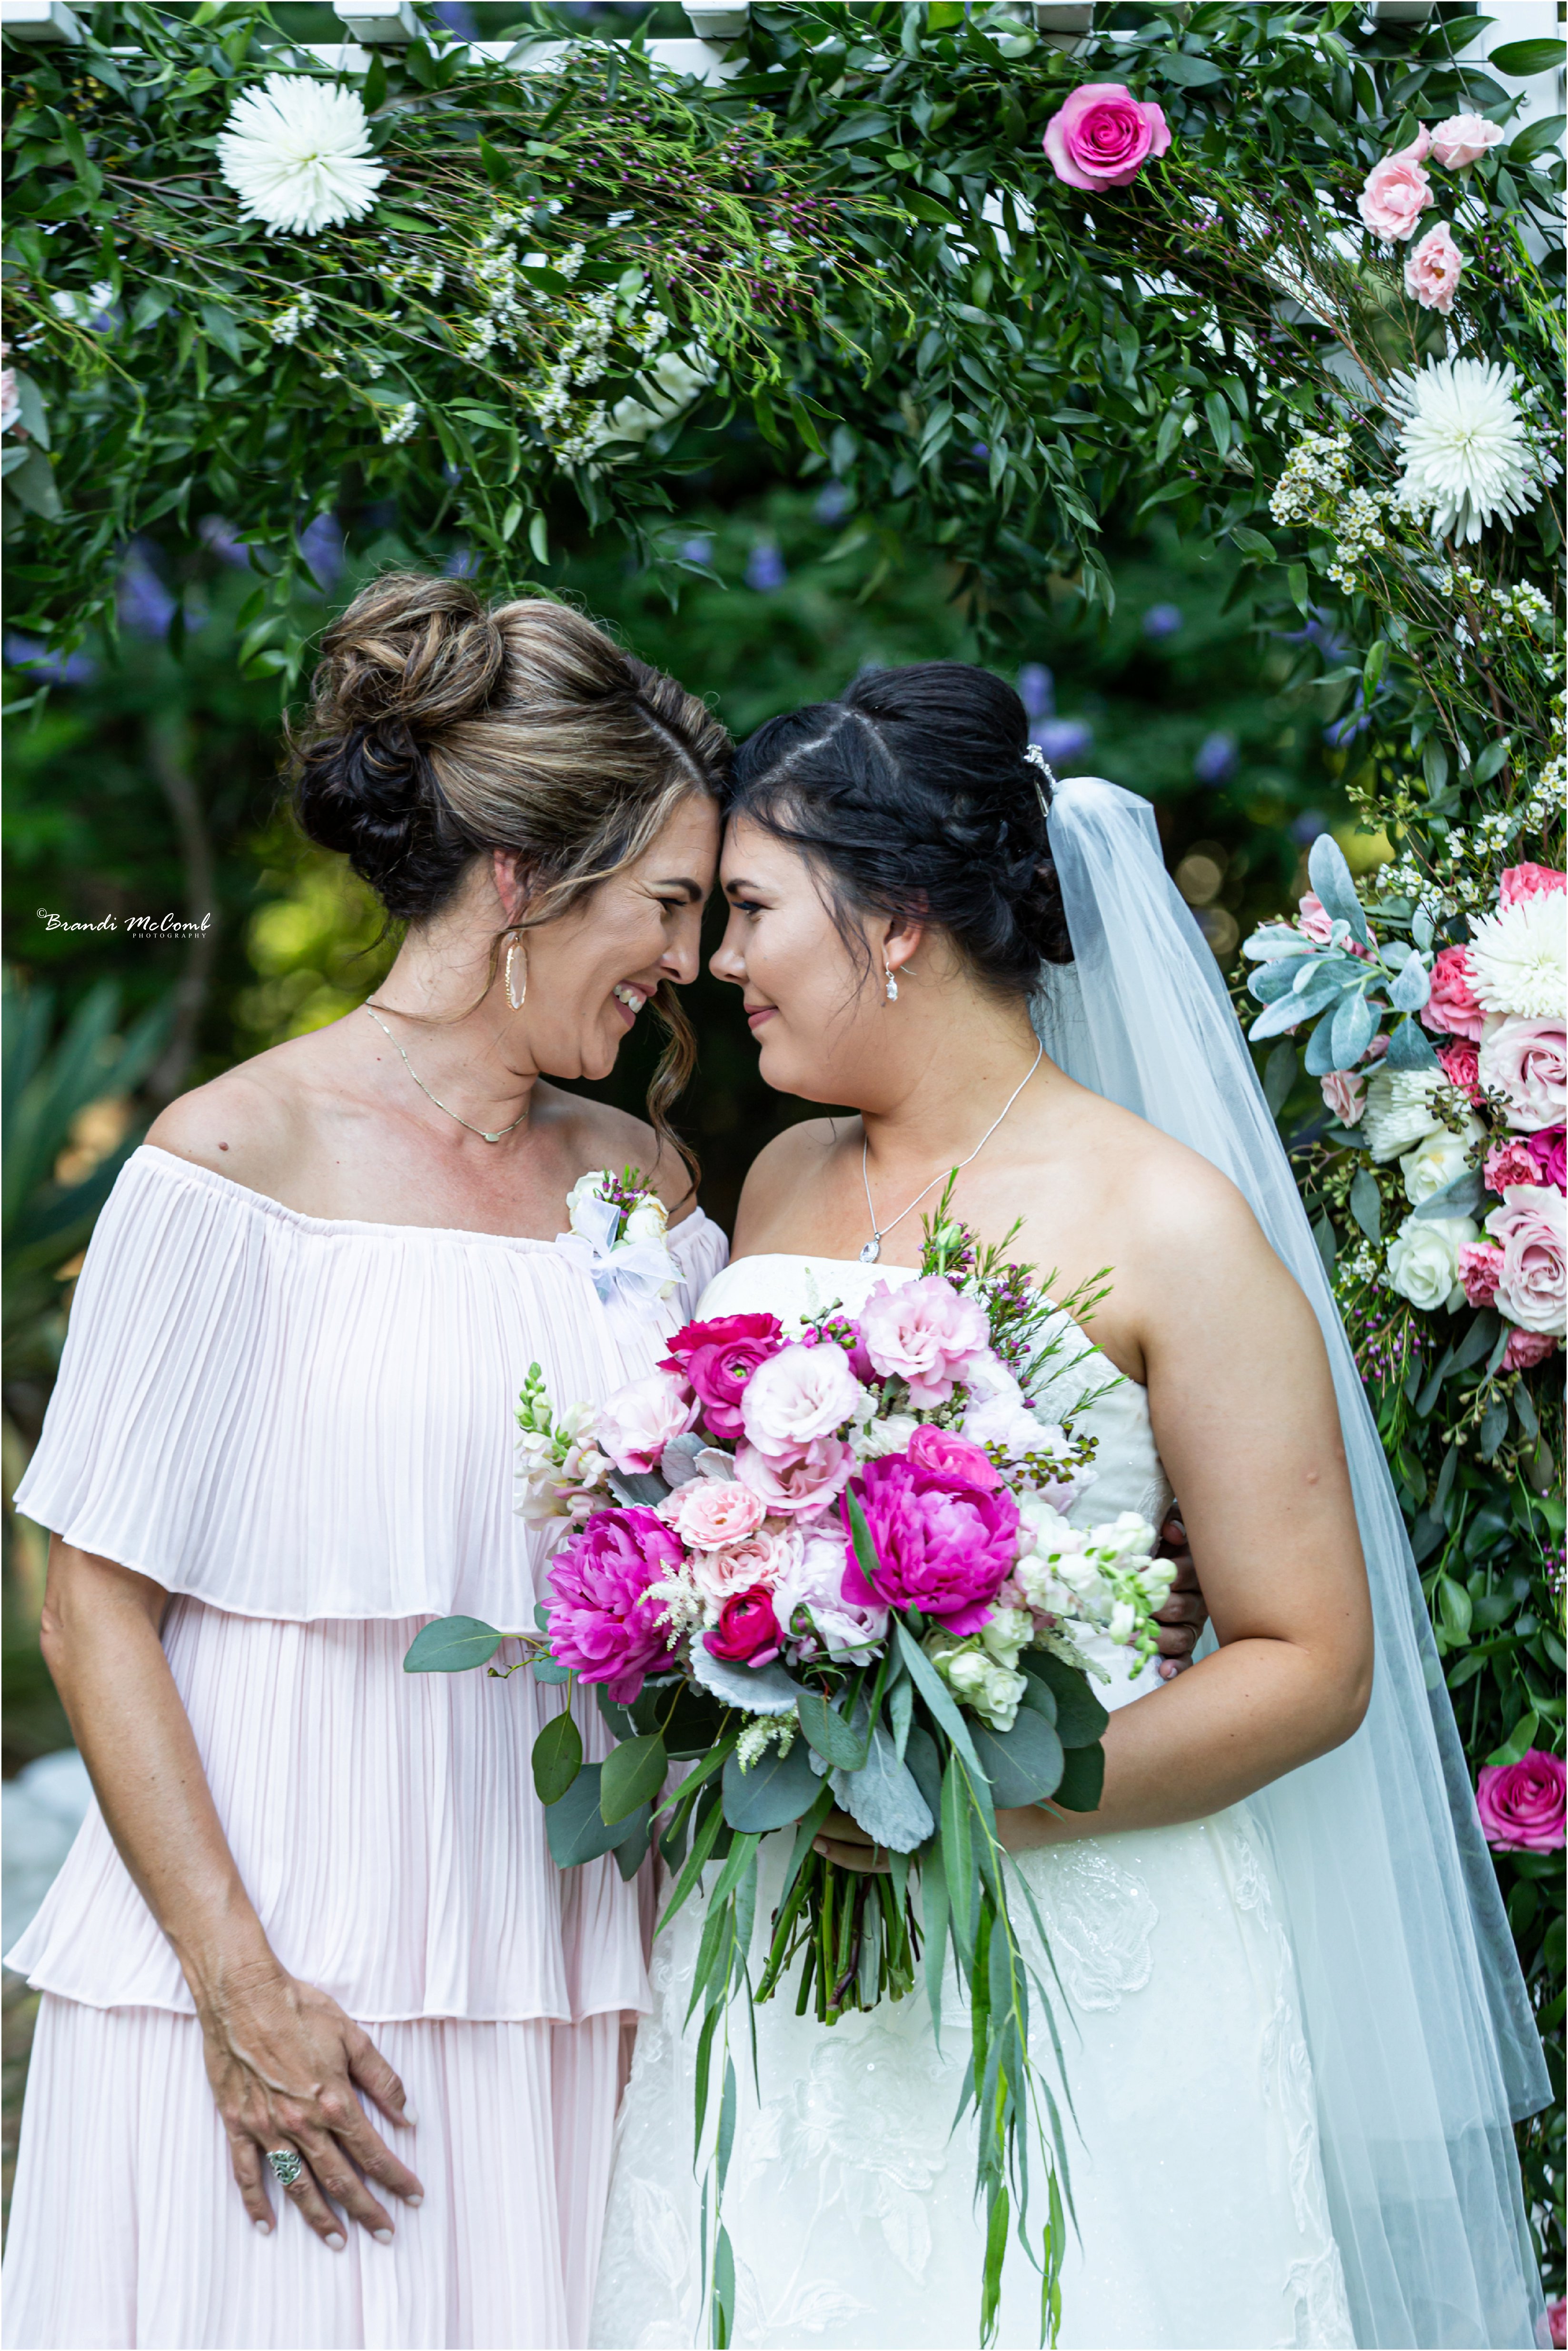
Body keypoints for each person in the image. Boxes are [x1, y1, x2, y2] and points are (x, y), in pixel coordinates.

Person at [590, 663, 1548, 2351]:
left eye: (752, 909)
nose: (721, 961)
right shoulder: (785, 1181)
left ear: (895, 918)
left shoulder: (1168, 1223)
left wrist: (996, 1799)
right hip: (785, 1949)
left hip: (1088, 1932)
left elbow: (1313, 1658)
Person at [1, 575, 734, 2351]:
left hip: (572, 1967)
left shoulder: (642, 1186)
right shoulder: (233, 1158)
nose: (692, 961)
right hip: (285, 1973)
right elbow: (91, 1601)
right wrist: (239, 1987)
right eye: (666, 903)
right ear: (523, 879)